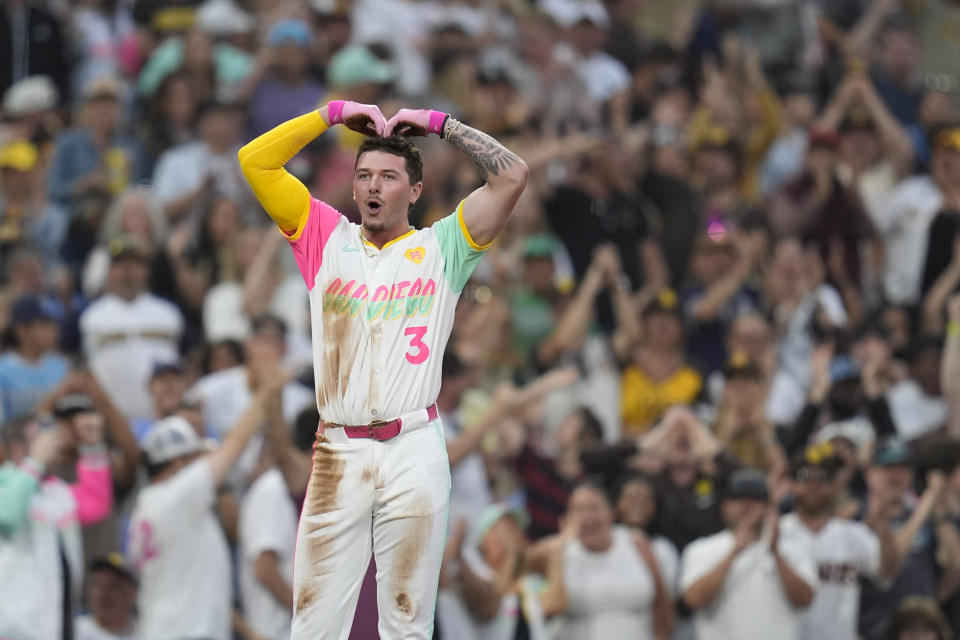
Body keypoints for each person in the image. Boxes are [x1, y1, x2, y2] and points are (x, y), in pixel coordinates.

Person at [238, 98, 528, 639]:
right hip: (339, 449)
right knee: (314, 624)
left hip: (414, 445)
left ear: (414, 192)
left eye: (389, 177)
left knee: (406, 621)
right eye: (364, 175)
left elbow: (513, 176)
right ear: (352, 189)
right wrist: (329, 114)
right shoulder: (324, 237)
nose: (374, 186)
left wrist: (444, 126)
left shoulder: (443, 245)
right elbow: (255, 161)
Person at [127, 391, 271, 640]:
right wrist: (266, 393)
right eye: (197, 456)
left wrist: (247, 632)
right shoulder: (176, 497)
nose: (204, 462)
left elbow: (202, 589)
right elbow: (235, 443)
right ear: (179, 463)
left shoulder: (149, 508)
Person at [0, 411, 112, 640]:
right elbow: (7, 514)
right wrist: (34, 462)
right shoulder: (6, 480)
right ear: (15, 446)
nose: (51, 443)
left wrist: (92, 446)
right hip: (12, 627)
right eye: (40, 437)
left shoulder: (57, 492)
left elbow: (96, 504)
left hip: (55, 626)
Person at [779, 443, 900, 640]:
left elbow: (887, 572)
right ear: (791, 483)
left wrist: (883, 524)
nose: (814, 485)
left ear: (834, 485)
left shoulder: (853, 534)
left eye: (823, 477)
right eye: (804, 476)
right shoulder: (776, 534)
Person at [681, 468, 816, 640]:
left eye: (755, 500)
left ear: (769, 508)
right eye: (738, 499)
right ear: (724, 506)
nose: (746, 506)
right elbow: (695, 600)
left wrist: (775, 552)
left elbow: (805, 600)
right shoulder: (701, 549)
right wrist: (734, 552)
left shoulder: (793, 548)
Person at [555, 481, 674, 640]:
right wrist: (559, 547)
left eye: (594, 508)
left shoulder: (636, 543)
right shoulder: (556, 551)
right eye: (578, 510)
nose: (587, 517)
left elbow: (661, 602)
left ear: (611, 512)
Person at [75, 553, 139, 640]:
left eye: (112, 586)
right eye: (97, 585)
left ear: (132, 592)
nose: (102, 593)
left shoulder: (146, 632)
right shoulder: (74, 630)